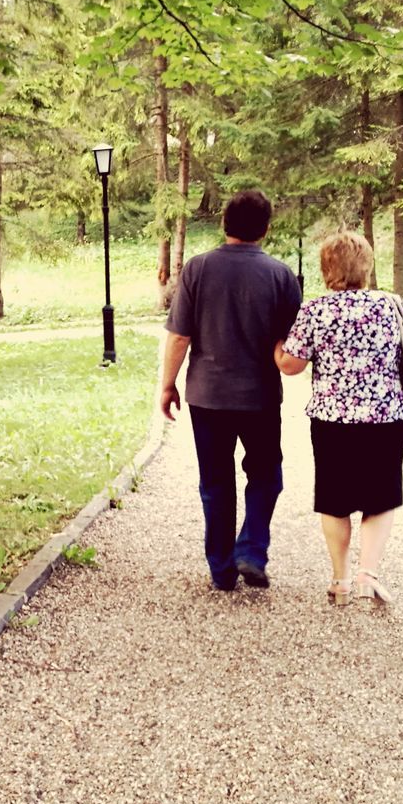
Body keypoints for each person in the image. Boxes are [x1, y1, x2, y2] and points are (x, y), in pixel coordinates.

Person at [273, 231, 403, 606]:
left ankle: (340, 579)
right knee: (380, 497)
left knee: (334, 498)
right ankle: (366, 576)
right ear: (366, 266)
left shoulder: (315, 311)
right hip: (386, 417)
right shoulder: (393, 306)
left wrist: (276, 344)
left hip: (332, 420)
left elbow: (290, 366)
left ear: (327, 269)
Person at [160, 190, 302, 592]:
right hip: (259, 398)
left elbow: (179, 336)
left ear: (224, 223)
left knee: (215, 482)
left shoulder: (197, 269)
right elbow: (292, 344)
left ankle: (221, 569)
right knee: (266, 475)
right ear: (266, 228)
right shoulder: (281, 275)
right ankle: (252, 551)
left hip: (207, 397)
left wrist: (168, 384)